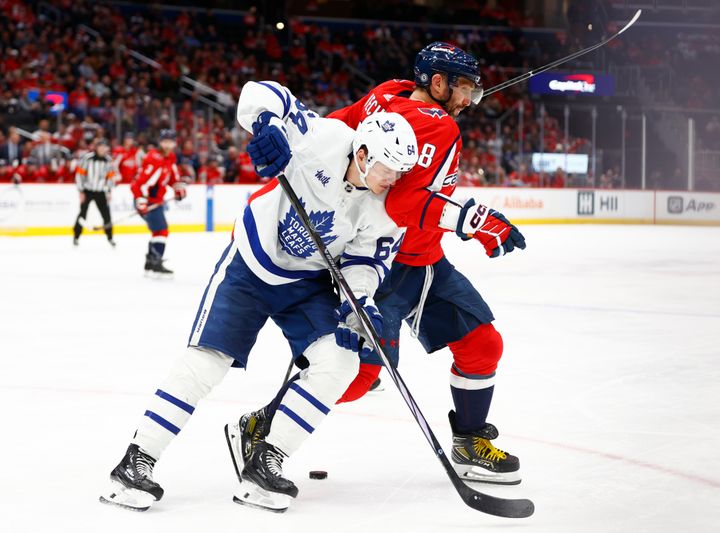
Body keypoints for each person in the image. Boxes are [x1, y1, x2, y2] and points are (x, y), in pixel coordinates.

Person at [100, 80, 418, 513]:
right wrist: (266, 124)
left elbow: (365, 260)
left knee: (340, 362)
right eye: (388, 167)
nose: (393, 178)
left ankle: (266, 462)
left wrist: (359, 303)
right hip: (251, 265)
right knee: (206, 363)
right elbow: (262, 93)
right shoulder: (325, 137)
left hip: (307, 284)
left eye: (400, 171)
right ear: (362, 154)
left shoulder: (387, 204)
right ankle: (135, 463)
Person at [229, 42, 527, 486]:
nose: (469, 100)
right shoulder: (439, 125)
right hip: (379, 263)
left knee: (483, 344)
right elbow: (403, 202)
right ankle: (261, 425)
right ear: (438, 82)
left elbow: (335, 129)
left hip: (427, 260)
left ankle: (468, 443)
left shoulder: (391, 94)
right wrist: (475, 221)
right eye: (465, 89)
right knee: (359, 375)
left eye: (474, 92)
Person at [130, 129, 188, 277]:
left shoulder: (170, 158)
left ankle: (150, 264)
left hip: (155, 201)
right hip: (146, 200)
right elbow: (139, 184)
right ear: (160, 142)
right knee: (162, 230)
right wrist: (141, 201)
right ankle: (155, 264)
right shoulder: (154, 158)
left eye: (170, 142)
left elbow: (173, 178)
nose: (168, 145)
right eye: (165, 141)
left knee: (159, 231)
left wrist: (178, 189)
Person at [73, 139, 118, 247]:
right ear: (96, 148)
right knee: (82, 214)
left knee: (106, 215)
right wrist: (81, 191)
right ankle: (76, 237)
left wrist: (109, 191)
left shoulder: (108, 160)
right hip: (87, 191)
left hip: (101, 192)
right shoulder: (87, 158)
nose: (103, 149)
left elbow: (111, 178)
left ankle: (110, 238)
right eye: (100, 146)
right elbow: (79, 175)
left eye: (105, 147)